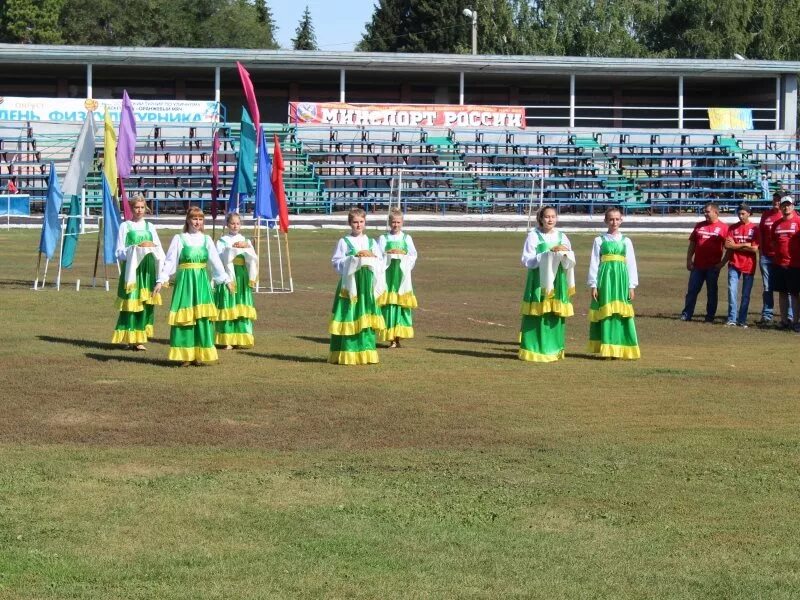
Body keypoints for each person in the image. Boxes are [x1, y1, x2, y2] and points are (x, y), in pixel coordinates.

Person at [154, 206, 232, 366]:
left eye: (200, 219)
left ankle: (199, 353)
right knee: (186, 317)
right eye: (194, 219)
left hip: (202, 282)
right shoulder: (179, 238)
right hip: (185, 283)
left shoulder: (207, 239)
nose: (197, 222)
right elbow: (170, 261)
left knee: (201, 317)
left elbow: (215, 262)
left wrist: (225, 279)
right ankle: (185, 355)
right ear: (188, 220)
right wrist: (161, 280)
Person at [328, 208, 386, 365]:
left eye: (361, 222)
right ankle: (348, 352)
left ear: (365, 223)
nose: (358, 225)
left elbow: (381, 262)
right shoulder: (344, 241)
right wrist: (353, 258)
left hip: (366, 284)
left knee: (365, 315)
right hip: (351, 283)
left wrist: (371, 256)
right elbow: (336, 262)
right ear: (350, 223)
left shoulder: (371, 242)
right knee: (350, 314)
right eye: (355, 222)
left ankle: (366, 352)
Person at [519, 205, 576, 362]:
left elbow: (569, 259)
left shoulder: (562, 236)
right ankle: (534, 349)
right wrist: (548, 254)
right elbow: (527, 260)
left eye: (553, 216)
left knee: (554, 312)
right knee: (537, 312)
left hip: (557, 280)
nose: (550, 219)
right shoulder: (533, 236)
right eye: (547, 216)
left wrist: (564, 254)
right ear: (541, 219)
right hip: (538, 280)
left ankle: (554, 349)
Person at [111, 195, 164, 350]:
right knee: (132, 303)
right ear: (131, 209)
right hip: (132, 271)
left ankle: (140, 338)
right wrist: (135, 248)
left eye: (142, 207)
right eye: (136, 207)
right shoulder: (125, 226)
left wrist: (161, 276)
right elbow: (119, 252)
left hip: (148, 270)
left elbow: (158, 249)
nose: (139, 210)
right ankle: (130, 338)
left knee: (145, 303)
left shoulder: (150, 227)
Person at [587, 206, 640, 359]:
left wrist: (631, 285)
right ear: (605, 221)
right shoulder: (599, 240)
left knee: (620, 312)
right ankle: (607, 346)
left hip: (621, 280)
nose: (614, 222)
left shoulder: (626, 241)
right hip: (605, 280)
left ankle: (620, 347)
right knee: (606, 311)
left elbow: (631, 263)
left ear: (621, 220)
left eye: (617, 219)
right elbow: (594, 262)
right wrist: (593, 284)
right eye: (611, 219)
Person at [214, 212, 258, 349]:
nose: (235, 226)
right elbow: (220, 258)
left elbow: (252, 258)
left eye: (238, 223)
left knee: (240, 304)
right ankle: (227, 339)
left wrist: (247, 247)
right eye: (232, 223)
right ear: (227, 224)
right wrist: (232, 249)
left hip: (242, 274)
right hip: (229, 274)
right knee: (229, 304)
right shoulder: (222, 241)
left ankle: (240, 337)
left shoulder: (245, 240)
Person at [680, 201, 728, 322]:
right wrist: (688, 260)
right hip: (698, 266)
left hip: (713, 266)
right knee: (692, 291)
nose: (705, 214)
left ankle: (710, 316)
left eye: (707, 211)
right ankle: (687, 314)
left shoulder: (724, 228)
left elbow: (730, 248)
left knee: (711, 292)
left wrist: (722, 263)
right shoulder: (699, 226)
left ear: (716, 212)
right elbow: (692, 244)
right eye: (704, 211)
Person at [377, 208, 418, 348]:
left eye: (398, 222)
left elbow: (413, 255)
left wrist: (403, 255)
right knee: (389, 305)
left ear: (402, 222)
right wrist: (388, 253)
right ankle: (391, 338)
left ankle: (398, 336)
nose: (396, 225)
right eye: (393, 222)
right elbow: (378, 255)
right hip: (388, 277)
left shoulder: (407, 238)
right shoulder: (383, 238)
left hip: (401, 277)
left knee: (400, 305)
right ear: (389, 223)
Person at [724, 203, 759, 328]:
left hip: (749, 265)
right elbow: (727, 246)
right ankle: (732, 318)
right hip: (734, 263)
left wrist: (736, 246)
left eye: (743, 213)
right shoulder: (732, 228)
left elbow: (754, 248)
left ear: (749, 213)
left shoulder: (755, 229)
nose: (740, 216)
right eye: (739, 213)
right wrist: (745, 245)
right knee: (732, 291)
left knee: (745, 294)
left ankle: (742, 319)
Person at [769, 195, 800, 331]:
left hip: (795, 263)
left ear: (793, 206)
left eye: (788, 205)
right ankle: (783, 320)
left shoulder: (798, 221)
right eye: (783, 205)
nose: (786, 207)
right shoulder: (776, 224)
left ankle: (795, 321)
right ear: (780, 206)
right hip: (779, 263)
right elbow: (774, 241)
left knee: (794, 293)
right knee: (782, 292)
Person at [757, 191, 785, 324]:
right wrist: (761, 252)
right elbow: (761, 234)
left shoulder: (787, 216)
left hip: (781, 258)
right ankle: (767, 314)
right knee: (767, 286)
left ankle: (789, 315)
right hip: (766, 257)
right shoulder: (766, 215)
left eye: (779, 200)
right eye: (775, 199)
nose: (776, 202)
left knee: (786, 287)